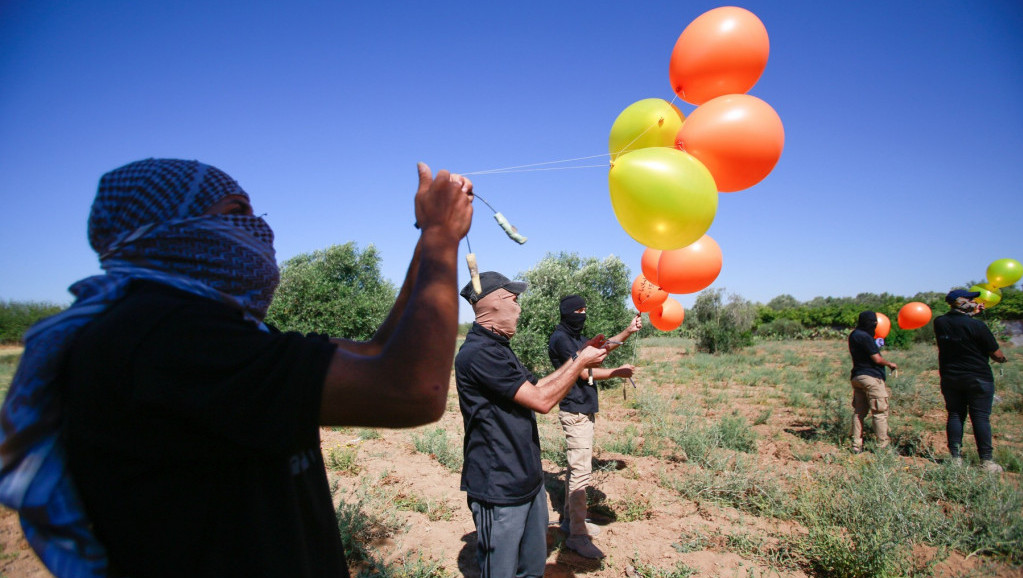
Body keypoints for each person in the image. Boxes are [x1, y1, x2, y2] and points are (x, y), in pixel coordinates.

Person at [0, 158, 474, 577]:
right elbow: (414, 388)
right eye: (235, 214)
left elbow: (374, 351)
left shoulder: (209, 328)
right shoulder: (163, 334)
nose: (258, 228)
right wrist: (440, 237)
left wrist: (424, 238)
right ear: (168, 227)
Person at [454, 272, 608, 578]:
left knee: (532, 568)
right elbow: (542, 401)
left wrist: (579, 356)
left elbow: (538, 386)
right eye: (514, 300)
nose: (519, 308)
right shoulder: (478, 354)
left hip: (527, 479)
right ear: (495, 303)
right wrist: (580, 363)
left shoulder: (498, 348)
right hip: (498, 486)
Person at [547, 295, 640, 559]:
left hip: (583, 409)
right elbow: (580, 372)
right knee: (580, 474)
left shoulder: (574, 336)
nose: (583, 313)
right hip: (574, 410)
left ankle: (570, 522)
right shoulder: (561, 339)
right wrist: (615, 373)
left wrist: (627, 331)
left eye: (585, 309)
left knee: (576, 469)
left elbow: (599, 352)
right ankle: (577, 535)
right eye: (578, 310)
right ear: (567, 312)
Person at [933, 289, 1008, 472]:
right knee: (980, 417)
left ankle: (955, 459)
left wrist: (971, 315)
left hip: (950, 377)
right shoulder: (978, 326)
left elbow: (958, 326)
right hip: (978, 377)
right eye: (971, 299)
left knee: (956, 414)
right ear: (962, 302)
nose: (974, 302)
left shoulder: (940, 322)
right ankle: (986, 461)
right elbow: (996, 354)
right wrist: (1002, 359)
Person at [847, 311, 898, 453]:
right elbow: (876, 359)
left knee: (859, 412)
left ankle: (856, 444)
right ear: (874, 323)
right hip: (871, 378)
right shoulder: (866, 337)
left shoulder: (854, 335)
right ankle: (883, 446)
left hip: (857, 377)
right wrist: (889, 364)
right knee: (879, 412)